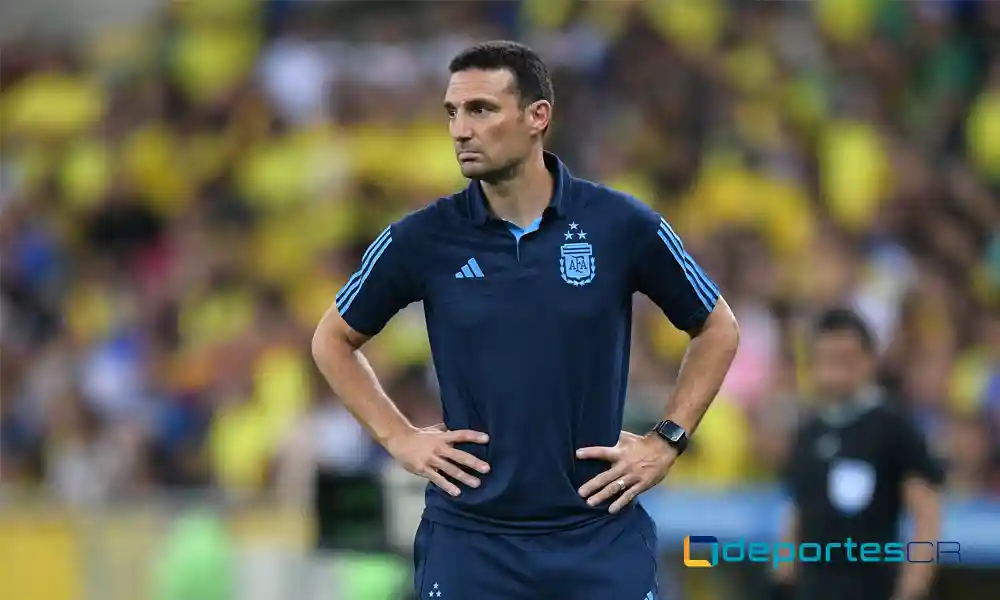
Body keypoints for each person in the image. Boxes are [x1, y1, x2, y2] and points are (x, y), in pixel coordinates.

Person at [311, 40, 740, 600]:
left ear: (538, 116)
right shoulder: (422, 239)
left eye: (481, 110)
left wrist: (667, 440)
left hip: (597, 535)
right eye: (452, 112)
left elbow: (717, 327)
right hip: (471, 542)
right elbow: (332, 339)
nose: (460, 130)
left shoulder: (619, 224)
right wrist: (398, 437)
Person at [774, 308, 946, 600]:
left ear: (868, 360)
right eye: (824, 360)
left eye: (844, 360)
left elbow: (926, 514)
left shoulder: (893, 428)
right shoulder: (809, 431)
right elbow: (797, 511)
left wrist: (912, 589)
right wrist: (781, 578)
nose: (833, 372)